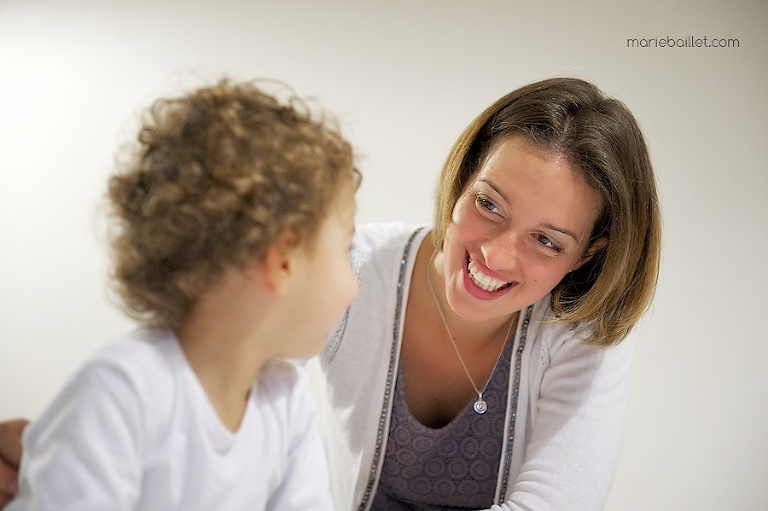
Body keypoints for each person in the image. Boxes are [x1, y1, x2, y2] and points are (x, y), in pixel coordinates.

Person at [0, 76, 661, 511]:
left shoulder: (282, 404)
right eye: (488, 204)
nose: (495, 253)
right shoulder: (130, 389)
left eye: (547, 240)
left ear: (590, 252)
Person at [1, 78, 361, 510]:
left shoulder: (286, 401)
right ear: (282, 259)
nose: (354, 284)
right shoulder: (124, 390)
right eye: (344, 248)